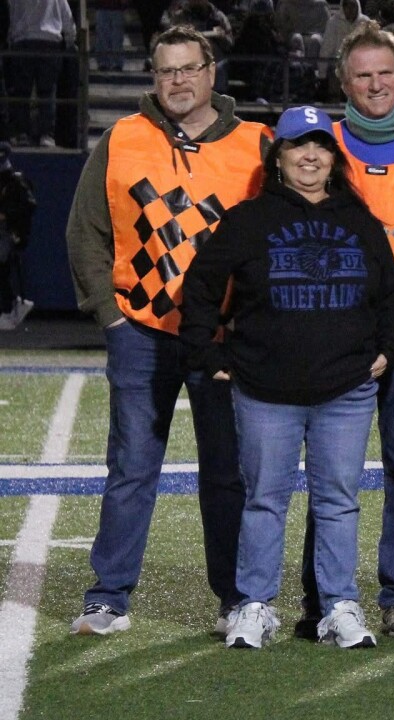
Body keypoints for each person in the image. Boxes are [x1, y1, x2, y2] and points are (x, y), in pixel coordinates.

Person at [180, 105, 394, 649]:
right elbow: (200, 286)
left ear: (334, 158)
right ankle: (254, 604)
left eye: (320, 146)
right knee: (264, 499)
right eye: (297, 146)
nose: (310, 155)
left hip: (346, 390)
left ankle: (338, 606)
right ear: (278, 157)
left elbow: (392, 289)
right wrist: (206, 353)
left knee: (339, 499)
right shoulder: (247, 219)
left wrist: (392, 349)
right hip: (263, 390)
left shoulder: (359, 220)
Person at [65, 25, 271, 636]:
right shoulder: (122, 139)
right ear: (153, 79)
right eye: (165, 71)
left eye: (188, 68)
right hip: (142, 331)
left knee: (227, 470)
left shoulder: (258, 144)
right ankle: (108, 596)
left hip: (221, 338)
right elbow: (85, 233)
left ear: (212, 72)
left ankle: (236, 598)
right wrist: (110, 316)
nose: (177, 81)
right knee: (131, 465)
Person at [290, 20, 394, 642]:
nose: (376, 83)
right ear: (344, 82)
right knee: (331, 477)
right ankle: (323, 597)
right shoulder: (318, 144)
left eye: (386, 72)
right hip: (335, 343)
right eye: (362, 74)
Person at [5, 0, 76, 147]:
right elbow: (66, 15)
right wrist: (70, 39)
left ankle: (21, 133)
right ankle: (46, 135)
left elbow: (11, 12)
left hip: (23, 40)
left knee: (21, 91)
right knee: (47, 91)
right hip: (50, 42)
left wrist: (10, 36)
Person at [0, 141, 36, 330]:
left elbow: (29, 205)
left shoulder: (15, 180)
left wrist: (6, 213)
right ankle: (13, 303)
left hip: (9, 232)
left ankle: (9, 308)